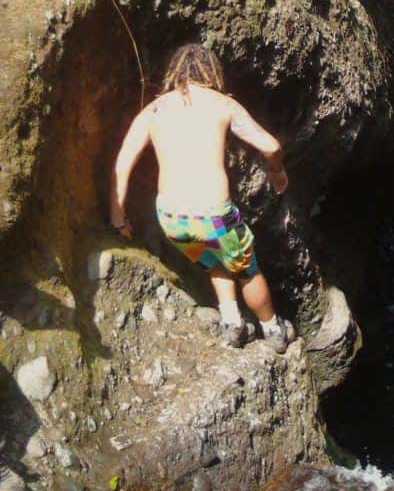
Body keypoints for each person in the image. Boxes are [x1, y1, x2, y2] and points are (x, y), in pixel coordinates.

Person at [109, 43, 296, 352]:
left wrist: (118, 218)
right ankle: (273, 329)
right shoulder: (223, 104)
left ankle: (233, 324)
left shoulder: (152, 110)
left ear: (175, 72)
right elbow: (271, 145)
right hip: (215, 217)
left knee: (214, 261)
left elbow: (122, 163)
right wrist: (275, 171)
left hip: (172, 218)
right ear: (212, 73)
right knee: (247, 270)